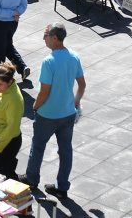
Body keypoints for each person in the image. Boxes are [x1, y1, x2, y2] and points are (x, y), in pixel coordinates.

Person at [25, 22, 86, 199]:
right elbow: (82, 84)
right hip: (67, 114)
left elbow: (44, 92)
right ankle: (62, 187)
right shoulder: (74, 56)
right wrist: (75, 103)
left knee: (38, 147)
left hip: (48, 114)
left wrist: (35, 106)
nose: (43, 38)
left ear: (54, 38)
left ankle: (32, 179)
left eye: (45, 35)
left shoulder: (48, 61)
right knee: (65, 150)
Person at [0, 62, 24, 180]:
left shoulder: (14, 99)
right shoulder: (2, 91)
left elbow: (12, 127)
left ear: (10, 82)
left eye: (0, 84)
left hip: (7, 141)